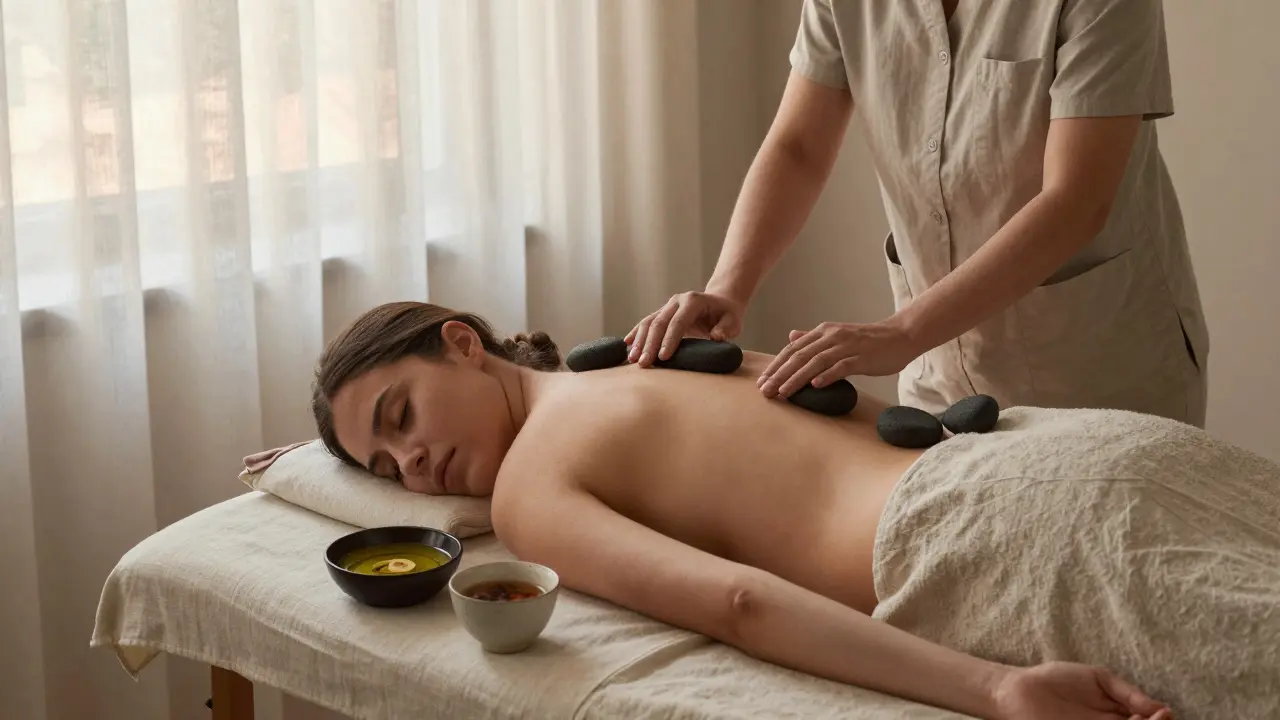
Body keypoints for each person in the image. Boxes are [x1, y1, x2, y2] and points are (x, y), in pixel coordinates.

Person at [311, 301, 1280, 719]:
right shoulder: (644, 351)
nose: (413, 463)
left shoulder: (531, 490)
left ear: (462, 343)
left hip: (992, 535)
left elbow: (738, 603)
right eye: (385, 469)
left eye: (400, 415)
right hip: (1074, 444)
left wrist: (996, 691)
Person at [625, 0, 1209, 428]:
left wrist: (901, 332)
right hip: (940, 378)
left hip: (1099, 373)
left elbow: (1076, 201)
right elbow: (798, 147)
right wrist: (728, 289)